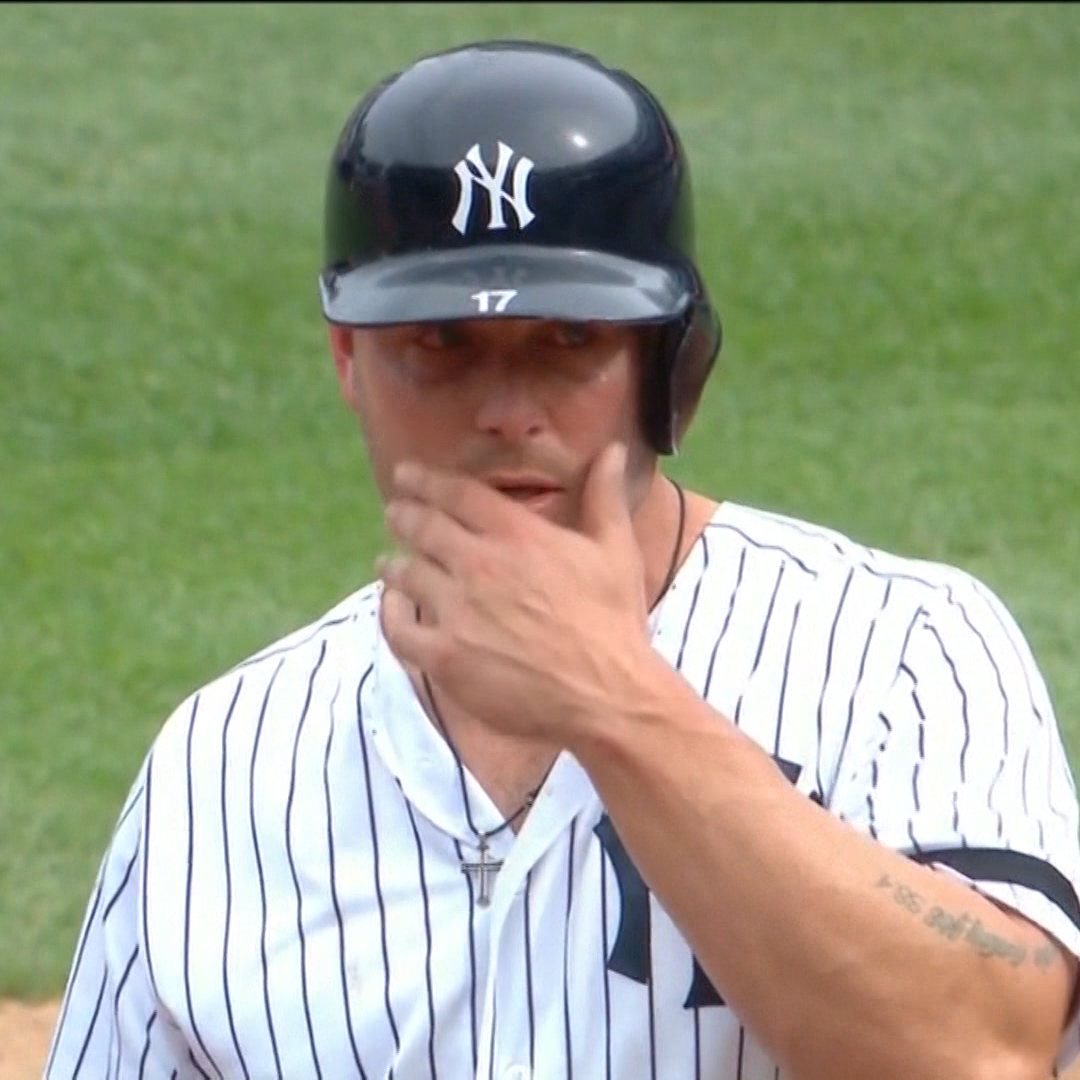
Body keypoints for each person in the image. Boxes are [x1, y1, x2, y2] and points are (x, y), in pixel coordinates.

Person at [45, 38, 1080, 1080]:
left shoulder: (897, 653)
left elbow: (984, 1050)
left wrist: (615, 701)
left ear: (671, 362)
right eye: (441, 344)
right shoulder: (221, 764)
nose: (506, 412)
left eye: (570, 340)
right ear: (348, 357)